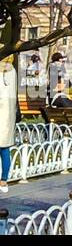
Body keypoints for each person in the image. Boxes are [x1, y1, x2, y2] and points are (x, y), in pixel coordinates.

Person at [0, 55, 17, 193]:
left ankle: (3, 179)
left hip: (2, 113)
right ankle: (4, 180)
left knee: (3, 149)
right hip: (8, 116)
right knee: (4, 149)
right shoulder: (12, 71)